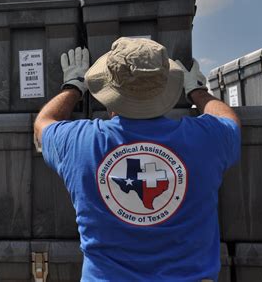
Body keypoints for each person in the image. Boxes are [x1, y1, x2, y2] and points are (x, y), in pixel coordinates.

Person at [34, 37, 241, 281]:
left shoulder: (79, 141)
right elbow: (230, 122)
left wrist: (73, 86)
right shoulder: (207, 139)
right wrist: (197, 90)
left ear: (109, 91)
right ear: (167, 89)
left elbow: (42, 125)